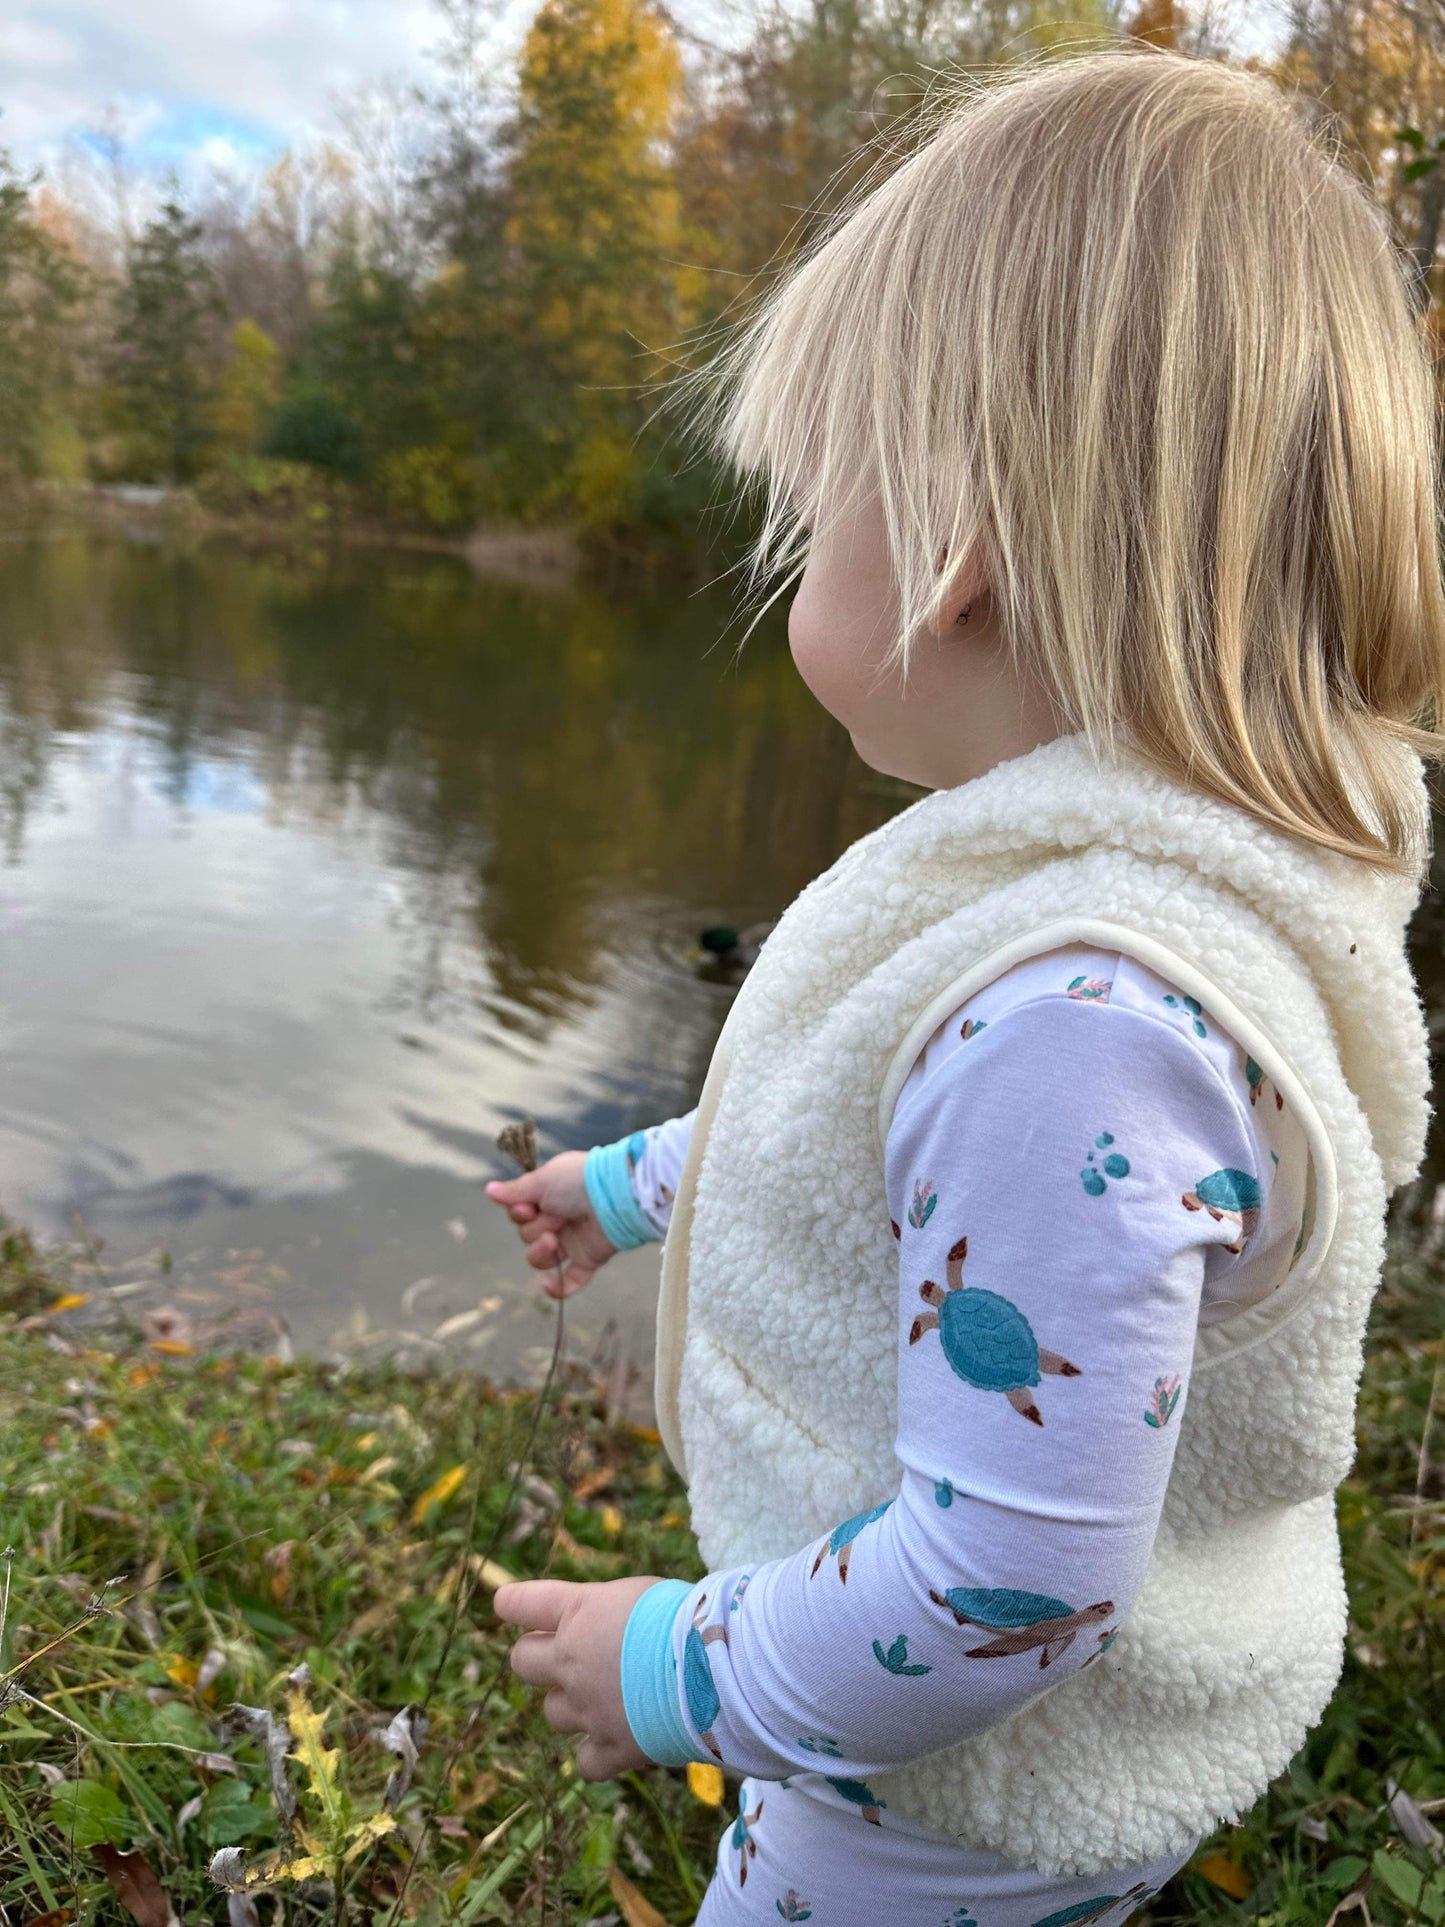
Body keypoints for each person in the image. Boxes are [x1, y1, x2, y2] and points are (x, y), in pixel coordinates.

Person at [485, 46, 1445, 1925]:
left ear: (953, 549)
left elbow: (1005, 1582)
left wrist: (676, 1672)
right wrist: (617, 1193)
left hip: (935, 1801)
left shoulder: (1079, 1027)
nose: (790, 563)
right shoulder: (1118, 913)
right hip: (1004, 1756)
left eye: (814, 502)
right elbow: (860, 1135)